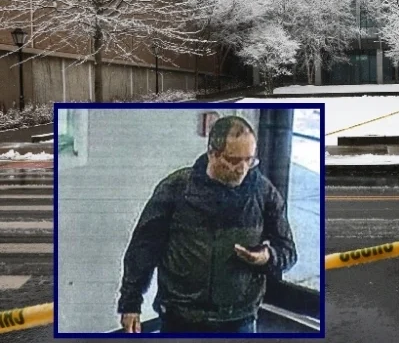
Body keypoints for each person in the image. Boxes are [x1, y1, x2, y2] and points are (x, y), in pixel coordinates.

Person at [116, 115, 297, 334]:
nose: (242, 169)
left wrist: (267, 257)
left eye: (249, 160)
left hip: (238, 318)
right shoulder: (175, 189)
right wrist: (130, 304)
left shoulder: (265, 194)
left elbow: (288, 251)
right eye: (234, 160)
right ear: (212, 153)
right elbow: (143, 248)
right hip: (180, 317)